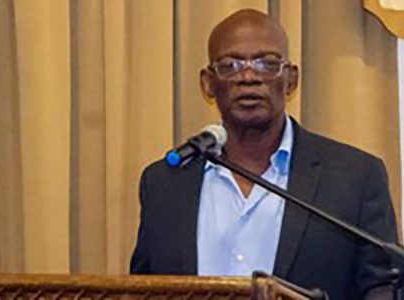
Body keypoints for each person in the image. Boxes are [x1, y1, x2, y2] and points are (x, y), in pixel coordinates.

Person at [130, 8, 398, 299]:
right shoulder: (163, 184)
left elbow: (381, 288)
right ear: (208, 83)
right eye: (230, 65)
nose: (248, 76)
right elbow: (144, 290)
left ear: (291, 80)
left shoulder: (354, 178)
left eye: (266, 64)